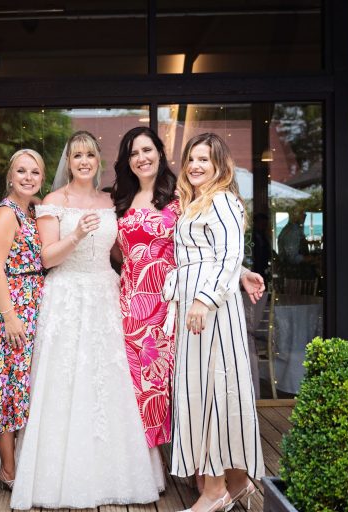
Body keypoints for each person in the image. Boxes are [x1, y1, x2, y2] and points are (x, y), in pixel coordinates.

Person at [10, 131, 164, 510]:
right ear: (69, 161)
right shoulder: (52, 201)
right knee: (64, 381)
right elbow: (46, 259)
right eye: (76, 155)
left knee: (109, 382)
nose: (83, 161)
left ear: (98, 161)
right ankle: (58, 475)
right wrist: (76, 234)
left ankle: (116, 471)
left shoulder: (112, 200)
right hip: (65, 296)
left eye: (90, 155)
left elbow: (121, 249)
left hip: (106, 295)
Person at [111, 127, 266, 450]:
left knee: (183, 381)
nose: (141, 158)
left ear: (160, 153)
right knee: (138, 383)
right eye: (134, 153)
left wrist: (241, 272)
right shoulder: (119, 200)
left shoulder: (181, 195)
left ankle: (201, 467)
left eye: (147, 150)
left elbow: (208, 246)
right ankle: (147, 464)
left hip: (176, 302)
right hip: (131, 302)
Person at [163, 133, 264, 512]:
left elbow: (228, 253)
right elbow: (219, 255)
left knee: (214, 391)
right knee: (202, 391)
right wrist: (241, 274)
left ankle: (214, 489)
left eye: (204, 160)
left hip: (210, 309)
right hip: (196, 304)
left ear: (220, 165)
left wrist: (205, 300)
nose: (195, 166)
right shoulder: (194, 203)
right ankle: (237, 482)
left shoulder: (222, 200)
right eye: (191, 159)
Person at [0, 149, 45, 489]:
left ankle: (23, 463)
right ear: (10, 176)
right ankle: (7, 469)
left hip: (35, 303)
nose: (27, 177)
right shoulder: (6, 214)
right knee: (10, 388)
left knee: (27, 388)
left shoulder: (33, 211)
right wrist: (9, 316)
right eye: (21, 171)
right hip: (14, 308)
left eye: (34, 172)